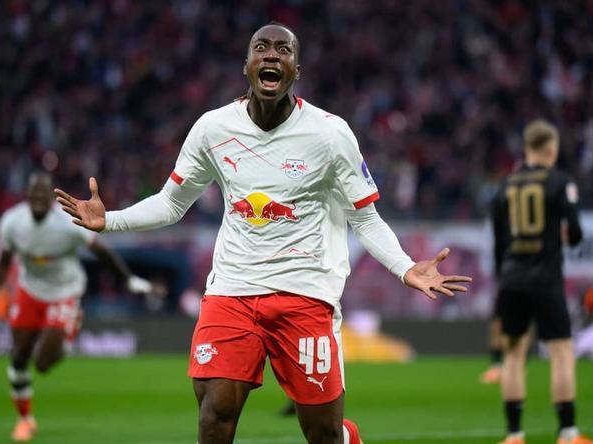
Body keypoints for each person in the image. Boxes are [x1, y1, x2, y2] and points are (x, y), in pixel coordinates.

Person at [55, 23, 471, 444]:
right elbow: (171, 203)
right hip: (232, 291)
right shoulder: (213, 128)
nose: (272, 55)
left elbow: (364, 218)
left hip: (305, 293)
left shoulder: (330, 134)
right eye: (262, 47)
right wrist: (111, 220)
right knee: (215, 412)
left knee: (324, 434)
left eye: (283, 50)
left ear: (296, 71)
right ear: (247, 65)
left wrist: (404, 268)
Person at [0, 172, 162, 442]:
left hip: (64, 292)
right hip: (29, 291)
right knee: (18, 356)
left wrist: (129, 280)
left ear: (49, 197)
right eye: (34, 193)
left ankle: (68, 331)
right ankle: (25, 420)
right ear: (27, 196)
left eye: (43, 193)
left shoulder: (66, 222)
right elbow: (4, 263)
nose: (39, 198)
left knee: (42, 363)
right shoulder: (12, 222)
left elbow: (101, 252)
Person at [491, 120, 591, 444]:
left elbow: (498, 244)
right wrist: (562, 235)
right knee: (561, 352)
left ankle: (514, 434)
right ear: (551, 149)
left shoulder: (505, 185)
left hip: (512, 279)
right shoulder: (560, 181)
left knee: (513, 355)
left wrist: (503, 278)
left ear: (527, 149)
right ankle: (567, 432)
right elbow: (575, 232)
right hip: (546, 278)